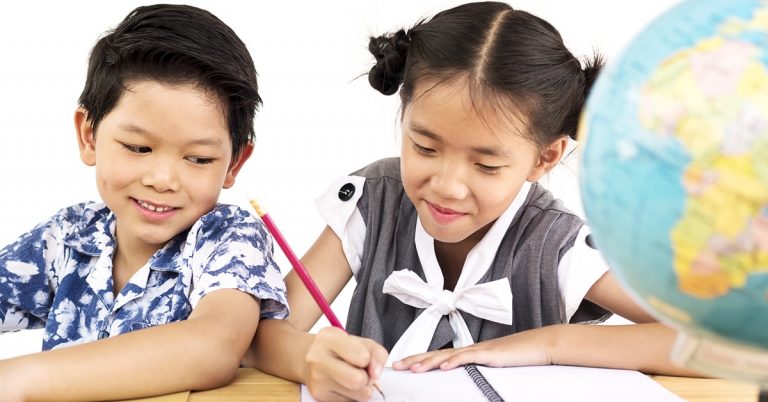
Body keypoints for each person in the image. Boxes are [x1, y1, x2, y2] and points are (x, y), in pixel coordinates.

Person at [247, 2, 700, 401]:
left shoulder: (555, 244)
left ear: (545, 157)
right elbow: (259, 335)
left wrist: (550, 344)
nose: (447, 186)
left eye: (486, 165)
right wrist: (309, 358)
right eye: (424, 147)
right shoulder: (373, 202)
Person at [0, 4, 288, 401]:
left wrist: (18, 379)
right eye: (138, 147)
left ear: (234, 163)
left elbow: (212, 348)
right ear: (89, 136)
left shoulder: (227, 239)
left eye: (198, 159)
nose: (163, 180)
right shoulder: (69, 236)